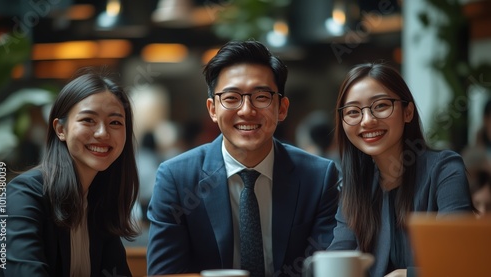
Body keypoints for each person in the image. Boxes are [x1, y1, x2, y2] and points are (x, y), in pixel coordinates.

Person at [146, 40, 340, 277]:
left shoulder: (318, 177)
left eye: (261, 96)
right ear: (212, 109)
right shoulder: (177, 178)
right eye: (231, 98)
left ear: (282, 108)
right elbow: (166, 273)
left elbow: (324, 269)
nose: (247, 110)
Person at [328, 62, 474, 277]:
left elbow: (458, 259)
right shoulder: (355, 184)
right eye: (353, 111)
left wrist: (407, 275)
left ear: (408, 112)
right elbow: (339, 258)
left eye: (380, 106)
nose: (367, 120)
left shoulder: (444, 169)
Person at [0, 68, 140, 276]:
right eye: (88, 120)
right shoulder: (21, 195)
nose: (102, 133)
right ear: (61, 129)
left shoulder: (99, 201)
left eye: (115, 122)